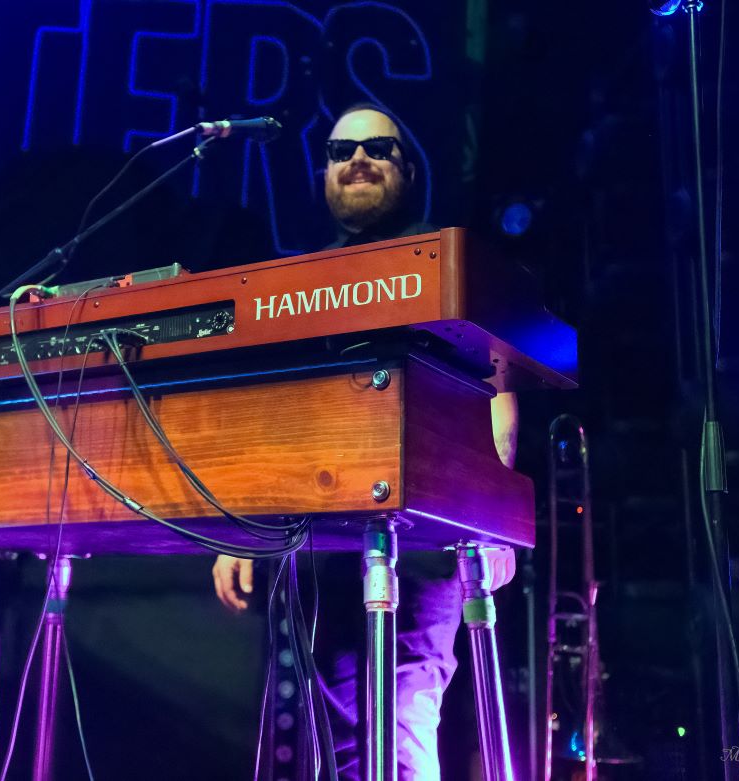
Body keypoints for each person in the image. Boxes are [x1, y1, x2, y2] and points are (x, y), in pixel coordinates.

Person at [212, 103, 518, 780]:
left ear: (408, 171)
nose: (357, 159)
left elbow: (497, 388)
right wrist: (245, 528)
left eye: (378, 148)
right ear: (323, 174)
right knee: (342, 740)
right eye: (340, 150)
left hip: (425, 534)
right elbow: (281, 411)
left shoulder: (445, 261)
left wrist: (488, 517)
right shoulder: (300, 283)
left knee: (402, 723)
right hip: (324, 535)